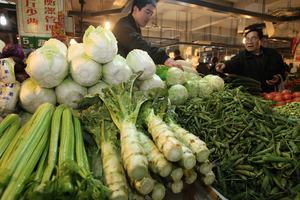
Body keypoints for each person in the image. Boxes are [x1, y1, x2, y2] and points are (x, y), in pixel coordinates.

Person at [113, 0, 181, 68]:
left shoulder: (135, 27)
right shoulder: (124, 26)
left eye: (151, 14)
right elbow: (140, 46)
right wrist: (164, 58)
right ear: (135, 9)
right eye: (147, 12)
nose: (149, 17)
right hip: (117, 72)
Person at [216, 25, 285, 92]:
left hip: (271, 94)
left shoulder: (273, 54)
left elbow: (283, 71)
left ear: (261, 40)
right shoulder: (242, 56)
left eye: (253, 38)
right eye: (247, 39)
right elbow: (232, 63)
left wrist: (278, 77)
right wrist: (224, 65)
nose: (249, 42)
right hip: (251, 95)